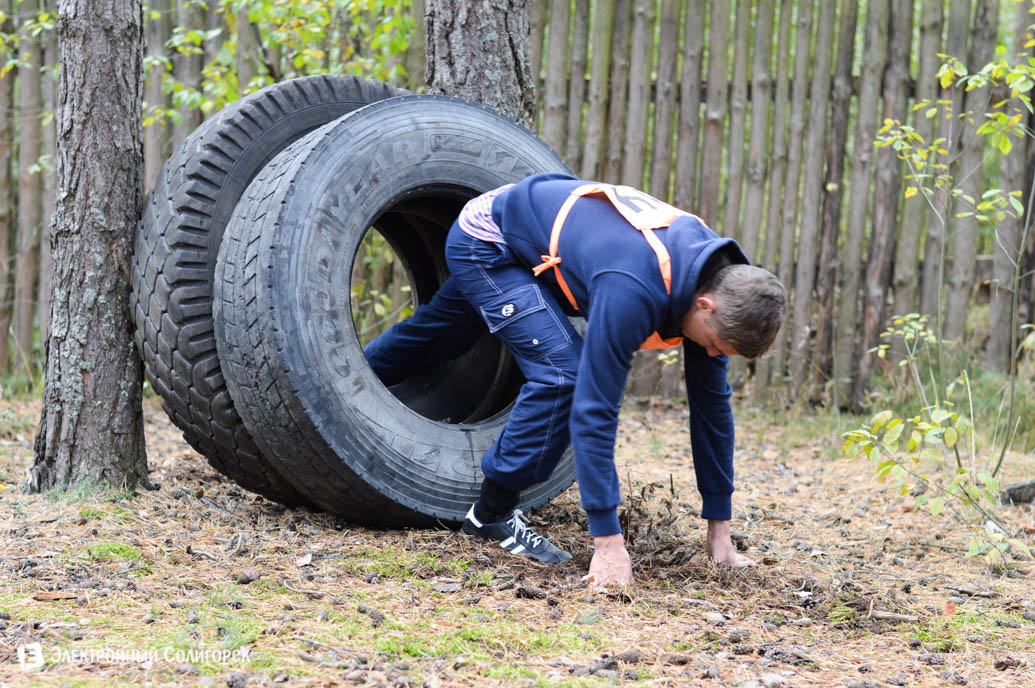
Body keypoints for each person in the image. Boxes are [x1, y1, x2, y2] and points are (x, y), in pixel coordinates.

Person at [364, 173, 785, 588]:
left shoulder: (720, 281)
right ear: (705, 305)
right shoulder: (633, 286)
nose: (712, 355)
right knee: (566, 374)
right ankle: (490, 516)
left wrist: (720, 533)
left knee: (438, 335)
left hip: (536, 235)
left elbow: (712, 411)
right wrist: (607, 542)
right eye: (714, 345)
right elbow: (593, 408)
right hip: (489, 239)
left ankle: (352, 382)